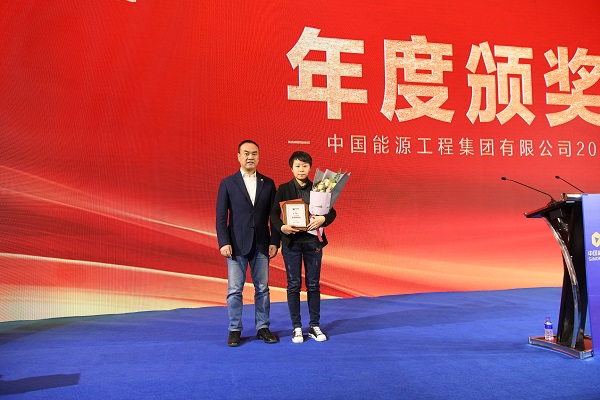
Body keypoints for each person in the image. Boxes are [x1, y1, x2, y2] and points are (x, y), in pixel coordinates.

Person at [216, 140, 280, 347]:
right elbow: (221, 217)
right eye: (246, 153)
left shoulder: (268, 183)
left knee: (263, 289)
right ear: (238, 156)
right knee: (235, 290)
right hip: (236, 245)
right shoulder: (228, 183)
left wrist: (274, 241)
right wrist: (224, 242)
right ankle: (235, 329)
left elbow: (274, 216)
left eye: (254, 153)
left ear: (259, 157)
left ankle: (263, 327)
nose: (250, 157)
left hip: (262, 243)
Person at [270, 151, 336, 343]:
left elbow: (332, 212)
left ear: (310, 168)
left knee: (313, 284)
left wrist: (323, 219)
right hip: (291, 243)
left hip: (312, 243)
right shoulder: (283, 189)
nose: (301, 169)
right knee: (293, 285)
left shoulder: (319, 189)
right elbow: (273, 214)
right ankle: (297, 327)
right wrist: (282, 227)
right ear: (291, 168)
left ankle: (314, 325)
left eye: (305, 166)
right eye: (297, 166)